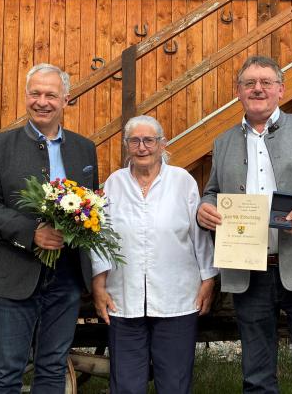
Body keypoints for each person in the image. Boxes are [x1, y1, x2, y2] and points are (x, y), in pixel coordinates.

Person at [197, 55, 292, 393]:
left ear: (280, 89)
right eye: (249, 83)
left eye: (266, 82)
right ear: (238, 92)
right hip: (249, 272)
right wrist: (204, 209)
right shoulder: (223, 142)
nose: (258, 88)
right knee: (256, 379)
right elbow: (211, 193)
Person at [0, 63, 98, 393]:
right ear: (26, 97)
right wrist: (32, 233)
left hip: (66, 276)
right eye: (35, 93)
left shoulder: (85, 149)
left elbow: (90, 205)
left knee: (54, 366)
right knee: (7, 369)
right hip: (16, 273)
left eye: (51, 95)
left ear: (66, 100)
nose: (42, 101)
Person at [91, 115, 218, 394]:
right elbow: (100, 236)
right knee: (126, 384)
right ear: (127, 146)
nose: (142, 147)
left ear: (162, 145)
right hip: (123, 299)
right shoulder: (114, 183)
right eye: (134, 140)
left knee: (174, 382)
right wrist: (98, 285)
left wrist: (208, 279)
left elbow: (199, 235)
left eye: (149, 140)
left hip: (177, 298)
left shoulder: (182, 181)